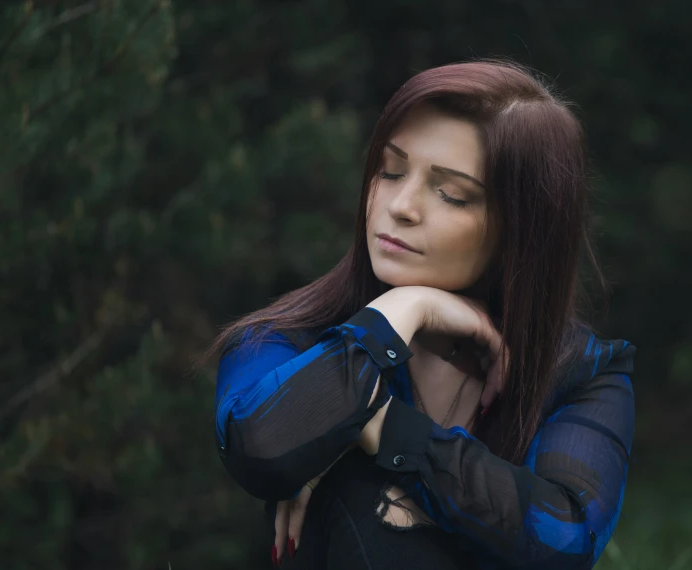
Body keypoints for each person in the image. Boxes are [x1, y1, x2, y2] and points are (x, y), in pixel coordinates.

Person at [205, 60, 635, 569]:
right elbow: (261, 446)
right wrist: (402, 308)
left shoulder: (580, 370)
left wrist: (380, 428)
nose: (401, 205)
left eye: (451, 193)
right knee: (360, 492)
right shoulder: (286, 337)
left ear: (522, 232)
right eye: (389, 170)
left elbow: (566, 538)